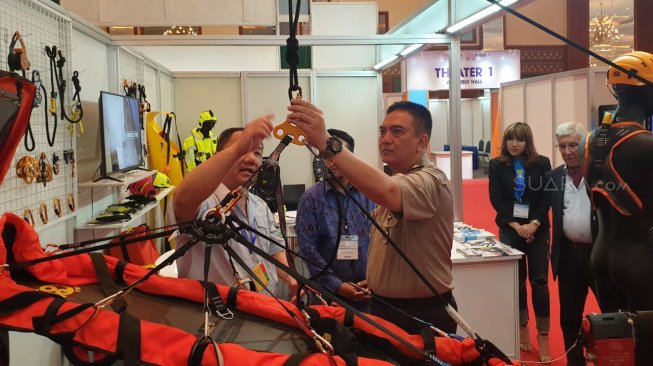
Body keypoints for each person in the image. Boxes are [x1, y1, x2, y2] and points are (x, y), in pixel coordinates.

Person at [288, 99, 457, 335]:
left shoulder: (431, 180)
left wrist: (326, 142)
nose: (385, 139)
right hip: (383, 306)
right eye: (383, 131)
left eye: (397, 132)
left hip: (419, 314)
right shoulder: (396, 181)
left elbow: (388, 192)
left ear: (422, 142)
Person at [168, 117, 298, 299]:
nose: (251, 158)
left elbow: (272, 249)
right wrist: (238, 147)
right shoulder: (204, 203)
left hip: (265, 307)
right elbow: (181, 199)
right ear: (218, 157)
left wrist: (291, 278)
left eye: (257, 153)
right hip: (218, 315)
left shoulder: (259, 205)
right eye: (242, 150)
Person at [579, 51, 653, 363]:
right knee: (645, 350)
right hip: (638, 261)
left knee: (614, 352)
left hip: (601, 258)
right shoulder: (646, 145)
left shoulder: (592, 141)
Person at [488, 122, 552, 362]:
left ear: (528, 142)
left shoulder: (542, 162)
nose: (514, 144)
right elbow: (495, 197)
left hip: (537, 228)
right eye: (510, 139)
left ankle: (543, 334)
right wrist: (516, 226)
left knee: (540, 281)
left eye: (519, 139)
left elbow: (547, 195)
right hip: (510, 228)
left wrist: (533, 224)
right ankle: (522, 325)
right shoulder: (497, 164)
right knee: (517, 281)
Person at [296, 129, 375, 311]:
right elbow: (308, 250)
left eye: (337, 156)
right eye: (325, 156)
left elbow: (381, 239)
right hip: (329, 296)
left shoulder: (369, 192)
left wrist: (375, 280)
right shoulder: (311, 199)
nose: (331, 162)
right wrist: (337, 286)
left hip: (370, 291)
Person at [545, 122, 596, 366]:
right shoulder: (554, 177)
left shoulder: (600, 173)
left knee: (613, 311)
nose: (567, 151)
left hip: (600, 255)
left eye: (573, 145)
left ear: (585, 145)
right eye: (562, 146)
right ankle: (575, 362)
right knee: (569, 318)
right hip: (568, 257)